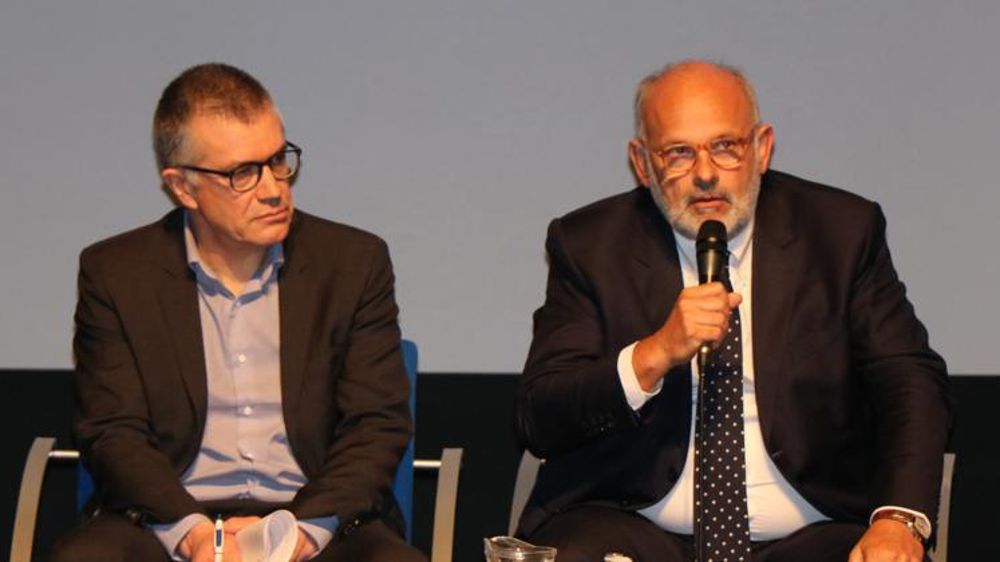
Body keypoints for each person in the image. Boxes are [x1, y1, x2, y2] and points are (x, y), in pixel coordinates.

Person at [514, 60, 951, 562]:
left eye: (725, 147)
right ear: (642, 163)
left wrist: (898, 520)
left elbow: (910, 383)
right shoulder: (589, 244)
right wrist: (652, 356)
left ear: (762, 148)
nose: (704, 174)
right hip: (630, 524)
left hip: (813, 530)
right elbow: (538, 415)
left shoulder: (841, 233)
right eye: (678, 153)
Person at [52, 63, 426, 562]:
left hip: (316, 518)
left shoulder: (353, 263)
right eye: (242, 173)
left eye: (278, 160)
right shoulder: (117, 274)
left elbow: (376, 424)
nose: (273, 188)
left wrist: (299, 533)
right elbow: (112, 431)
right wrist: (194, 533)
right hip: (165, 518)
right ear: (183, 187)